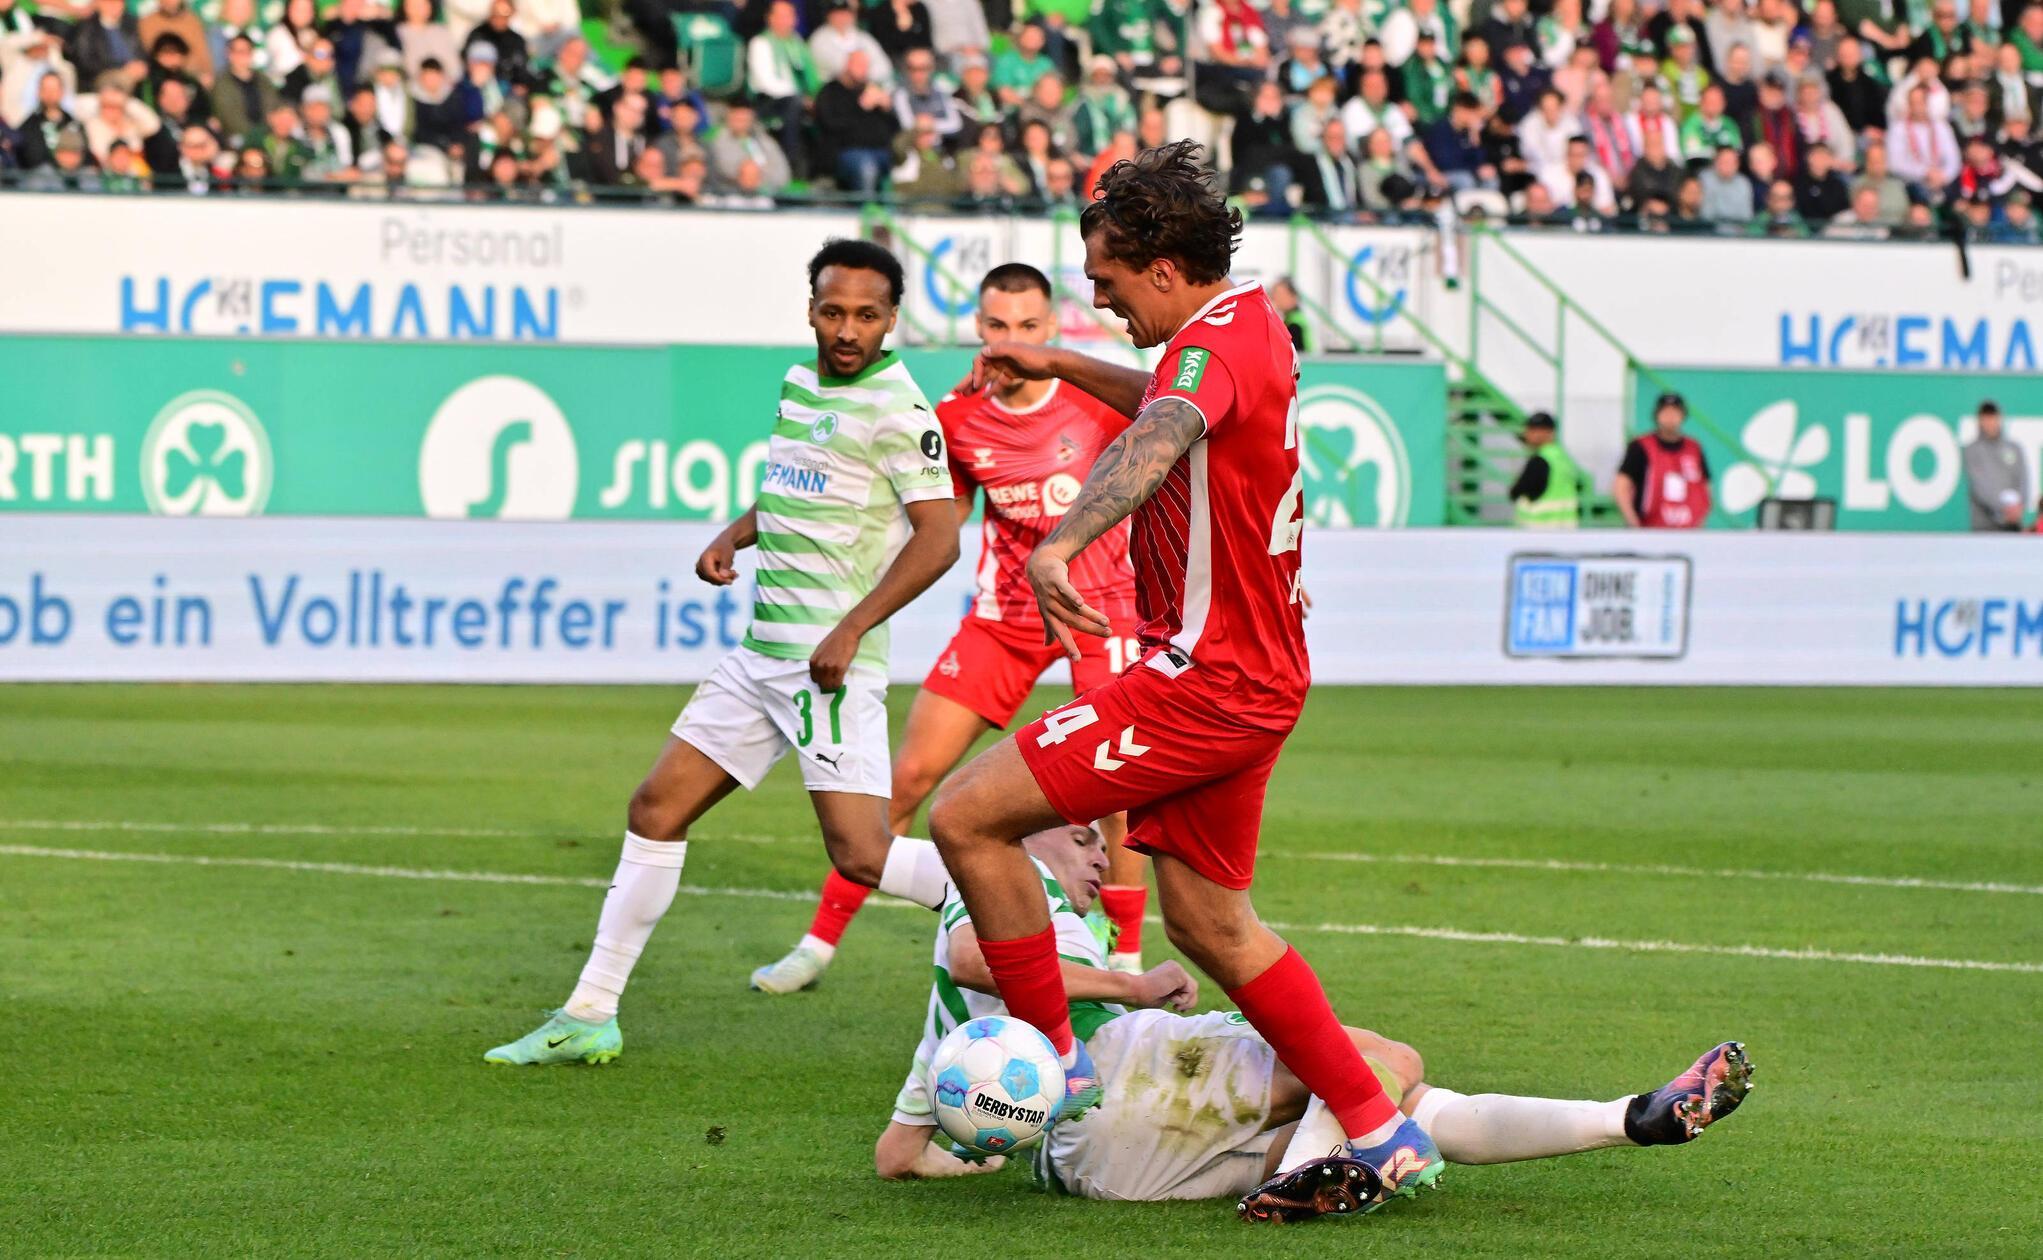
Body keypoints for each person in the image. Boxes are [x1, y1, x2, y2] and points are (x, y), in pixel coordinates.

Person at [927, 140, 1444, 1216]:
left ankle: (1059, 1064)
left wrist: (1062, 542)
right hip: (1259, 676)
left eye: (1109, 284)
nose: (1101, 302)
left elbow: (1163, 428)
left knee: (967, 815)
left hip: (1202, 679)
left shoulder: (1205, 353)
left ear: (1163, 266)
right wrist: (1067, 364)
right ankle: (1383, 1126)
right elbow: (1171, 395)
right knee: (1213, 928)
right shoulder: (1247, 326)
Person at [484, 241, 963, 1065]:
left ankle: (1023, 900)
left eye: (866, 315)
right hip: (759, 656)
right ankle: (590, 1011)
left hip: (828, 668)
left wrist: (850, 627)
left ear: (892, 321)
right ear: (810, 308)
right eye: (832, 310)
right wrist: (735, 533)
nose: (847, 329)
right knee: (655, 810)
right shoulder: (800, 383)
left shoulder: (900, 410)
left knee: (859, 853)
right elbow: (798, 486)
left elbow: (940, 539)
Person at [874, 823, 1755, 1213]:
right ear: (1023, 835)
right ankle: (1300, 1183)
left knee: (1390, 1114)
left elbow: (896, 1158)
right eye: (1081, 838)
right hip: (1130, 1067)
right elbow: (970, 956)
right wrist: (1130, 986)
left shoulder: (954, 1048)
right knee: (1381, 1060)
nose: (1100, 854)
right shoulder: (1006, 885)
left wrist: (993, 1145)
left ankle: (1629, 1120)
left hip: (1096, 1168)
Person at [753, 264, 1150, 995]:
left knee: (1116, 790)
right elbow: (935, 521)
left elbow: (1178, 461)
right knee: (906, 778)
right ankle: (817, 945)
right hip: (1006, 617)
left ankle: (1122, 957)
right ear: (978, 327)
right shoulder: (957, 417)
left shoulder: (1097, 404)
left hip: (1104, 611)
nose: (1012, 339)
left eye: (1028, 326)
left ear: (1051, 327)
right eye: (998, 326)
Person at [1615, 392, 1712, 528]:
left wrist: (1699, 523)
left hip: (1687, 531)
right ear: (1657, 415)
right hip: (1649, 529)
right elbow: (1621, 486)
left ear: (1683, 416)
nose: (1670, 417)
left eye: (1675, 412)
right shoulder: (1640, 447)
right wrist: (1633, 523)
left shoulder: (1694, 448)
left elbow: (1705, 489)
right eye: (1665, 412)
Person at [1509, 412, 1583, 528]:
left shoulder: (1540, 461)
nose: (1527, 435)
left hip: (1538, 533)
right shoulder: (1563, 459)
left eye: (1532, 430)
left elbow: (1516, 492)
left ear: (1547, 432)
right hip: (1566, 533)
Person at [1964, 400, 2030, 531]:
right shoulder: (1972, 450)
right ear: (1980, 421)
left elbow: (2023, 479)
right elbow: (1980, 487)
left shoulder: (2014, 448)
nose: (1990, 423)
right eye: (1986, 419)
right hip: (1984, 526)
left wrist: (2018, 507)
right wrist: (2002, 508)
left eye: (1993, 418)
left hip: (2012, 524)